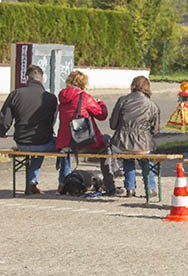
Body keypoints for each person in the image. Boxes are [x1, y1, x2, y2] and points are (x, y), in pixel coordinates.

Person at [0, 65, 62, 194]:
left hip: (22, 143)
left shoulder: (15, 94)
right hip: (44, 142)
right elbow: (52, 121)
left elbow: (4, 120)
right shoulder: (50, 98)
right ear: (42, 80)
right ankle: (63, 183)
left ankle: (32, 183)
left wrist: (2, 133)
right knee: (66, 148)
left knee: (36, 143)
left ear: (27, 78)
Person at [57, 70, 120, 195]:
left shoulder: (62, 97)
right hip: (83, 142)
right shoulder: (84, 97)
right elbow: (102, 115)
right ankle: (111, 184)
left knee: (66, 153)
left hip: (65, 144)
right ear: (83, 83)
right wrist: (100, 102)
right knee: (107, 142)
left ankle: (63, 183)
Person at [108, 76, 161, 197]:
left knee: (128, 159)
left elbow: (112, 125)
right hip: (143, 143)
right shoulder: (152, 106)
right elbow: (155, 130)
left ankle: (130, 188)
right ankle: (151, 188)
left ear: (133, 86)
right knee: (146, 160)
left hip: (122, 143)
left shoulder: (123, 100)